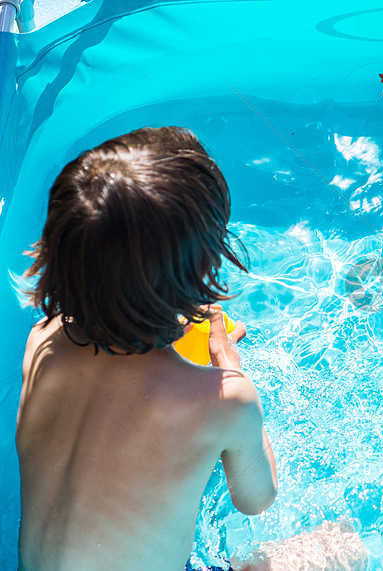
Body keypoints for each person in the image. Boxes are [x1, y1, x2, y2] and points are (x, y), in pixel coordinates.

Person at [16, 127, 278, 570]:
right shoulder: (224, 400)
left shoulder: (41, 340)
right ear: (202, 270)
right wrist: (230, 369)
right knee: (340, 546)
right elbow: (257, 499)